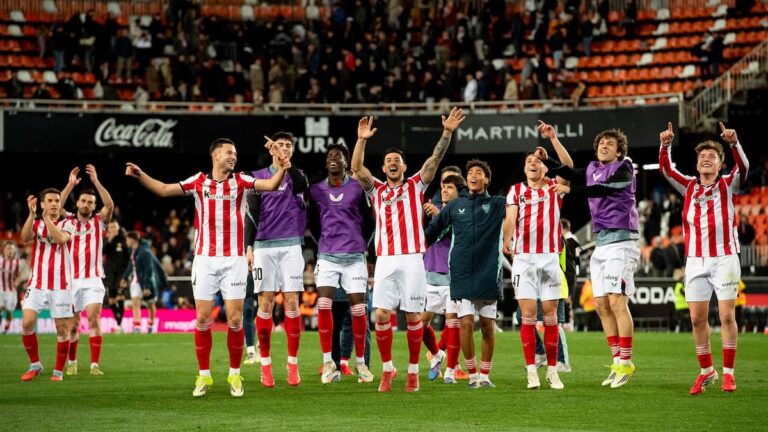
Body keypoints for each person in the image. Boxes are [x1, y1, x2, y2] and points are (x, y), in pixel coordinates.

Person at [125, 137, 289, 398]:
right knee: (202, 319)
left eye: (235, 153)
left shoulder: (242, 181)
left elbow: (270, 184)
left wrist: (283, 166)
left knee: (235, 320)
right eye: (228, 153)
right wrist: (141, 175)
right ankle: (204, 376)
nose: (233, 157)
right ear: (215, 155)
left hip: (234, 260)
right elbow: (165, 190)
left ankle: (234, 374)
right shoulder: (199, 181)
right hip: (205, 260)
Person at [351, 108, 465, 392]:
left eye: (397, 161)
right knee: (380, 316)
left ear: (403, 167)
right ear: (384, 167)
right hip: (386, 260)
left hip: (414, 259)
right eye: (388, 160)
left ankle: (413, 371)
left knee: (414, 317)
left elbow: (435, 159)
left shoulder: (416, 185)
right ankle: (388, 370)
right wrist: (362, 140)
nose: (392, 163)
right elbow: (356, 169)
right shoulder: (375, 190)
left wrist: (447, 132)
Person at [537, 120, 641, 388]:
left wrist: (571, 190)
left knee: (618, 303)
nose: (604, 145)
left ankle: (626, 363)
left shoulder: (625, 167)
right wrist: (549, 149)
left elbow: (603, 190)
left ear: (619, 151)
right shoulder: (594, 169)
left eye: (610, 143)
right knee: (601, 305)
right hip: (601, 243)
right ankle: (617, 361)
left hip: (622, 241)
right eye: (601, 143)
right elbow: (568, 171)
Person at [658, 121, 748, 394]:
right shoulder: (688, 187)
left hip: (725, 258)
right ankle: (707, 371)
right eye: (702, 157)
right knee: (697, 318)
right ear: (697, 165)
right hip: (695, 260)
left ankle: (729, 374)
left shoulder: (728, 185)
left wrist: (733, 144)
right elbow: (665, 169)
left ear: (720, 165)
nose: (706, 159)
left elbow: (743, 168)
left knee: (726, 315)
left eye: (712, 156)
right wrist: (665, 145)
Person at [426, 159, 507, 389]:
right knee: (466, 324)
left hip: (489, 273)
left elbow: (518, 209)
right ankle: (472, 374)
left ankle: (485, 374)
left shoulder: (498, 203)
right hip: (461, 274)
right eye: (470, 172)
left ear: (486, 179)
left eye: (479, 172)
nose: (473, 175)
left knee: (488, 327)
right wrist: (416, 245)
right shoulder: (455, 206)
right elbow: (432, 231)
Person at [308, 142, 375, 384]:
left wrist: (363, 248)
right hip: (327, 256)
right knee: (324, 305)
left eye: (338, 156)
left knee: (358, 310)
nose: (333, 159)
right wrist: (325, 243)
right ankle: (328, 363)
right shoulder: (316, 191)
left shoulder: (359, 189)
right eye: (330, 156)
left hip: (355, 256)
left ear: (347, 162)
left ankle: (361, 364)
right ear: (326, 163)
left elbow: (370, 222)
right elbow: (313, 224)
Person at [504, 150, 571, 390]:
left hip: (550, 258)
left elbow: (568, 166)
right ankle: (532, 371)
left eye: (538, 161)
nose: (532, 163)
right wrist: (506, 240)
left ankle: (553, 371)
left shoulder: (555, 186)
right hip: (524, 259)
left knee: (551, 317)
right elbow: (511, 217)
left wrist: (553, 140)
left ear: (545, 168)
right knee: (528, 315)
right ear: (524, 169)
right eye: (528, 161)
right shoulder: (516, 190)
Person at [247, 132, 308, 388]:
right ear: (272, 149)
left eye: (288, 146)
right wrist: (248, 247)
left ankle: (292, 365)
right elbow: (251, 214)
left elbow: (303, 187)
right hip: (263, 247)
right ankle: (266, 366)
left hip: (291, 245)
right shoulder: (257, 177)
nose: (285, 149)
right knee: (266, 303)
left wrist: (286, 163)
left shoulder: (298, 176)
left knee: (292, 301)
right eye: (280, 145)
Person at [59, 165, 114, 376]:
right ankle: (72, 362)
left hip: (93, 279)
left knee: (93, 318)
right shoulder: (68, 221)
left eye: (90, 202)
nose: (86, 204)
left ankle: (94, 365)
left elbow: (109, 204)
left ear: (93, 206)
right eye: (83, 200)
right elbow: (56, 207)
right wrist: (70, 185)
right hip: (71, 280)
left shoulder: (100, 222)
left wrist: (96, 182)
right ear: (78, 203)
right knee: (73, 325)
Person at [20, 189, 76, 381]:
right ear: (43, 204)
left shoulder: (69, 223)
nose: (54, 203)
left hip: (61, 285)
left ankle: (58, 372)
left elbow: (61, 239)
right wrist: (32, 214)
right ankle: (35, 364)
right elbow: (25, 237)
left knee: (61, 329)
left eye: (57, 200)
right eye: (50, 201)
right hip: (37, 283)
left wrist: (47, 220)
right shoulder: (36, 224)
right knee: (27, 323)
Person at [422, 174, 464, 383]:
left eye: (450, 186)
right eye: (443, 186)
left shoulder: (463, 210)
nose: (445, 189)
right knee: (419, 324)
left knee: (452, 323)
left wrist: (440, 215)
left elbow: (462, 233)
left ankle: (450, 371)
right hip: (428, 272)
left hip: (452, 276)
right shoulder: (431, 206)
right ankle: (437, 354)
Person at [122, 231, 164, 335]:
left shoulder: (145, 252)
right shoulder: (133, 251)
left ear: (132, 239)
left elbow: (148, 270)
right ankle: (137, 327)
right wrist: (125, 277)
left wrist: (146, 286)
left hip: (146, 282)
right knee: (135, 302)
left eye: (127, 239)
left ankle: (150, 324)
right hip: (136, 281)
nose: (126, 241)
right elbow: (131, 265)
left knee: (150, 304)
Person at [103, 220, 130, 329]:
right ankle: (119, 322)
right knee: (111, 300)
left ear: (118, 228)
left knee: (120, 297)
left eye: (115, 227)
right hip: (110, 274)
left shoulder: (123, 241)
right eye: (111, 227)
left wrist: (128, 275)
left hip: (121, 274)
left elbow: (128, 258)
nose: (113, 229)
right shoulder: (107, 241)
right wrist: (109, 240)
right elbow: (102, 252)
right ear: (109, 229)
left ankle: (120, 323)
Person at [0, 241, 22, 333]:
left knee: (9, 311)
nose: (10, 251)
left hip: (11, 291)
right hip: (1, 289)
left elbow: (19, 275)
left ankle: (7, 325)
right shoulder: (0, 261)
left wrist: (17, 281)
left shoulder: (16, 262)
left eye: (12, 249)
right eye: (8, 249)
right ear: (4, 250)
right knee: (0, 307)